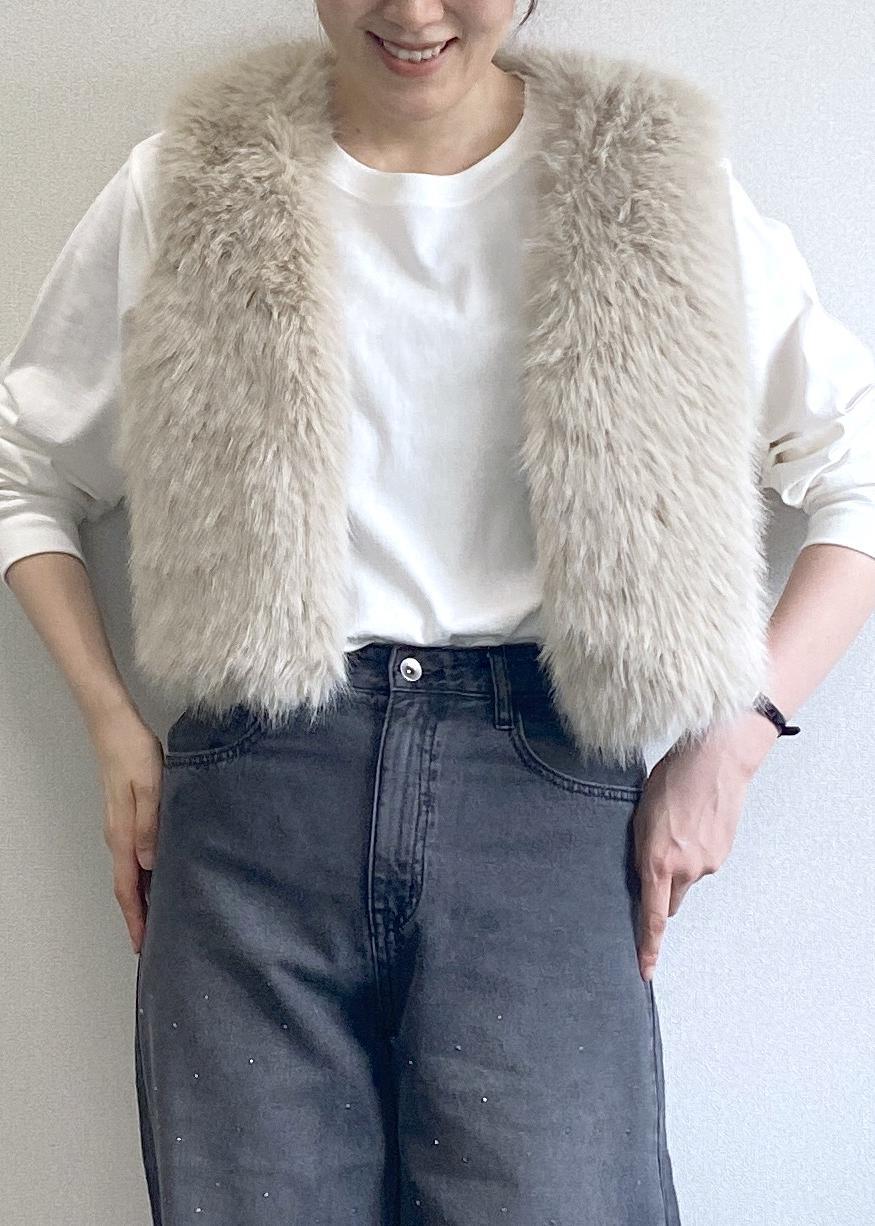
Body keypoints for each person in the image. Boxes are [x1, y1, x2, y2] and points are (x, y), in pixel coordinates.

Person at [3, 3, 875, 1223]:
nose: (413, 12)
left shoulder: (650, 184)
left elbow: (852, 462)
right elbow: (26, 466)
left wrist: (733, 738)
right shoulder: (193, 182)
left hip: (544, 801)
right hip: (258, 800)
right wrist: (109, 722)